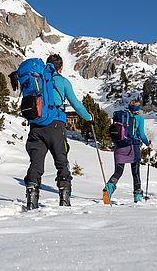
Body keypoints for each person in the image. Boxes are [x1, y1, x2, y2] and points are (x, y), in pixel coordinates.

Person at [24, 54, 92, 209]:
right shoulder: (62, 81)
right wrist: (88, 117)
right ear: (60, 68)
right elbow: (75, 103)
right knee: (61, 162)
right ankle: (64, 198)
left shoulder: (37, 79)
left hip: (36, 126)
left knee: (36, 163)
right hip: (56, 125)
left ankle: (31, 200)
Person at [106, 100, 152, 203]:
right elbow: (142, 134)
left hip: (119, 147)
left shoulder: (121, 116)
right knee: (135, 173)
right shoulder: (139, 118)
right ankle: (137, 196)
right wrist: (148, 144)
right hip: (133, 148)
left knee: (118, 172)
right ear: (137, 109)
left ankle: (109, 187)